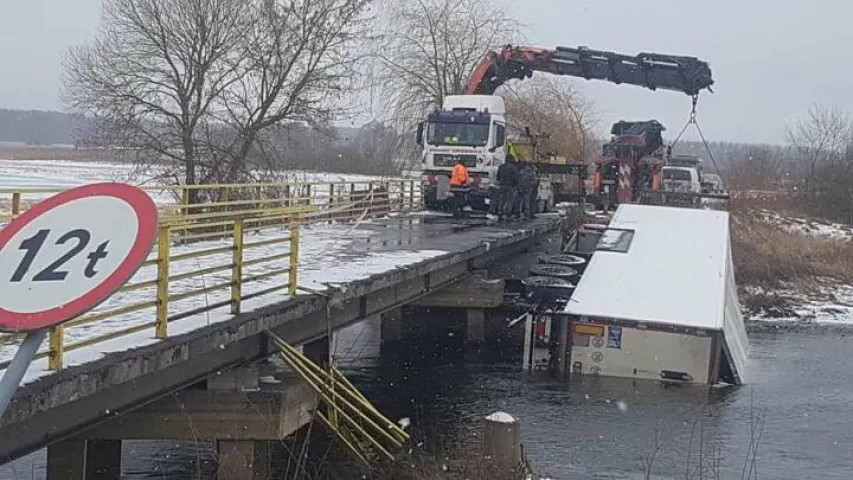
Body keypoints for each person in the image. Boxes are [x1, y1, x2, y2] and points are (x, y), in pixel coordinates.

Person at [496, 155, 519, 221]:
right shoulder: (514, 168)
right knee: (509, 201)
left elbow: (498, 177)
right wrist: (515, 185)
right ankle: (508, 214)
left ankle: (500, 213)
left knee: (502, 200)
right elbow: (516, 178)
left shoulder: (501, 167)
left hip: (502, 185)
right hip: (510, 186)